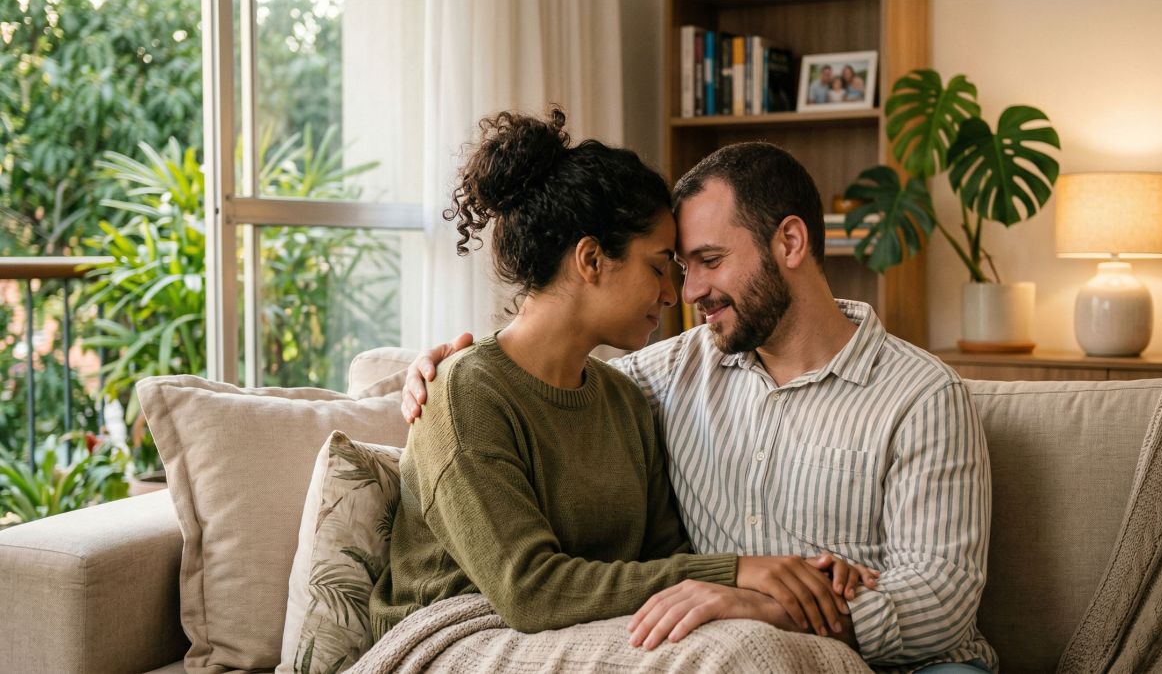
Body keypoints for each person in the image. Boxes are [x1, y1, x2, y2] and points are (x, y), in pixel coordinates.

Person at [405, 141, 997, 673]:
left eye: (708, 262)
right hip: (742, 644)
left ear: (789, 242)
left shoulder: (922, 395)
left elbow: (940, 601)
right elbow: (537, 379)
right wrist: (437, 366)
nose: (685, 293)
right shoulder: (665, 373)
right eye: (676, 268)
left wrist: (781, 604)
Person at [368, 110, 878, 649]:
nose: (674, 294)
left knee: (767, 645)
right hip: (457, 635)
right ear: (591, 260)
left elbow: (667, 562)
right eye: (661, 266)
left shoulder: (625, 400)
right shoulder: (466, 392)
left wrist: (787, 585)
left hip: (586, 631)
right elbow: (529, 590)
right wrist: (737, 570)